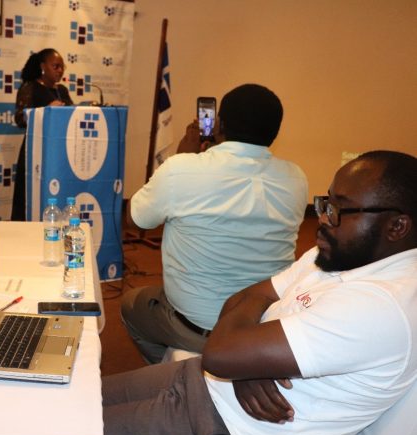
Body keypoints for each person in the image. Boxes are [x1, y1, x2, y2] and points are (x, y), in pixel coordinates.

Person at [103, 150, 417, 435]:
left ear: (397, 226)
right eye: (326, 203)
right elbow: (244, 297)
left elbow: (221, 353)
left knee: (74, 428)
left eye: (340, 209)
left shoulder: (383, 306)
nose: (323, 218)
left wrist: (242, 359)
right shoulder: (340, 253)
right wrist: (247, 365)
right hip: (204, 381)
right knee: (82, 396)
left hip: (222, 426)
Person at [122, 84, 308, 363]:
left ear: (219, 124)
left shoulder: (181, 168)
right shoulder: (296, 178)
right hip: (263, 323)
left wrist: (179, 158)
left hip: (197, 327)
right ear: (274, 132)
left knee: (131, 305)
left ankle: (170, 372)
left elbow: (135, 220)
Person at [11, 48, 73, 221]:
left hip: (59, 152)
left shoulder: (62, 91)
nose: (60, 70)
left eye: (62, 67)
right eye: (55, 66)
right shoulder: (29, 87)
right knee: (29, 196)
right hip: (35, 152)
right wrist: (46, 110)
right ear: (42, 66)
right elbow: (20, 118)